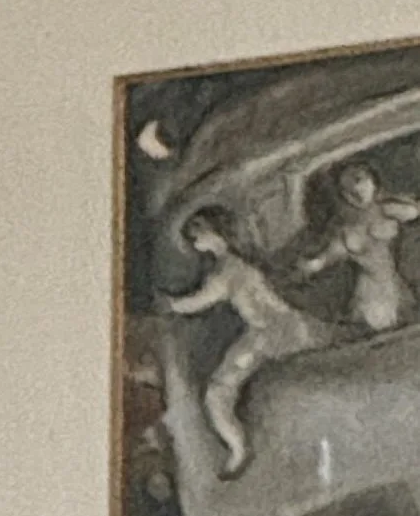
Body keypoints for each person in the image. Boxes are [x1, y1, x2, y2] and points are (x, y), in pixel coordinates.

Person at [163, 208, 329, 477]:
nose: (195, 239)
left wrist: (171, 304)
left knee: (217, 393)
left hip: (270, 335)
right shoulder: (235, 264)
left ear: (217, 232)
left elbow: (197, 302)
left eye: (199, 231)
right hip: (281, 328)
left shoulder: (229, 270)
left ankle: (238, 449)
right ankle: (238, 448)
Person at [294, 160, 420, 333]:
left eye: (360, 180)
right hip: (370, 292)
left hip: (394, 285)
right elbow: (328, 256)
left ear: (373, 182)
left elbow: (413, 212)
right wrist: (313, 264)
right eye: (347, 189)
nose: (357, 190)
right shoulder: (345, 231)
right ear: (342, 195)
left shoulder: (386, 209)